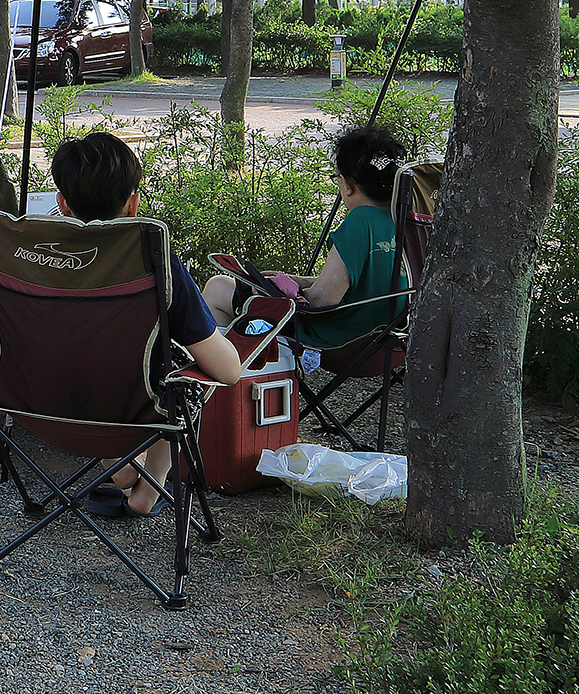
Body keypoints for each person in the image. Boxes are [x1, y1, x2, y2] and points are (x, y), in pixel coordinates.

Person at [49, 129, 241, 517]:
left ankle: (117, 466)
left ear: (62, 204)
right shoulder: (153, 259)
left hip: (47, 404)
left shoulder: (30, 256)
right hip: (135, 407)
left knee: (108, 369)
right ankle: (146, 485)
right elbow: (227, 371)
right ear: (134, 203)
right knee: (186, 376)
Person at [203, 123, 406, 351]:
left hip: (337, 342)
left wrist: (275, 293)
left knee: (217, 286)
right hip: (388, 343)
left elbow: (321, 302)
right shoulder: (408, 219)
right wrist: (295, 281)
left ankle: (232, 377)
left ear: (346, 185)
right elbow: (362, 286)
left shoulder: (362, 220)